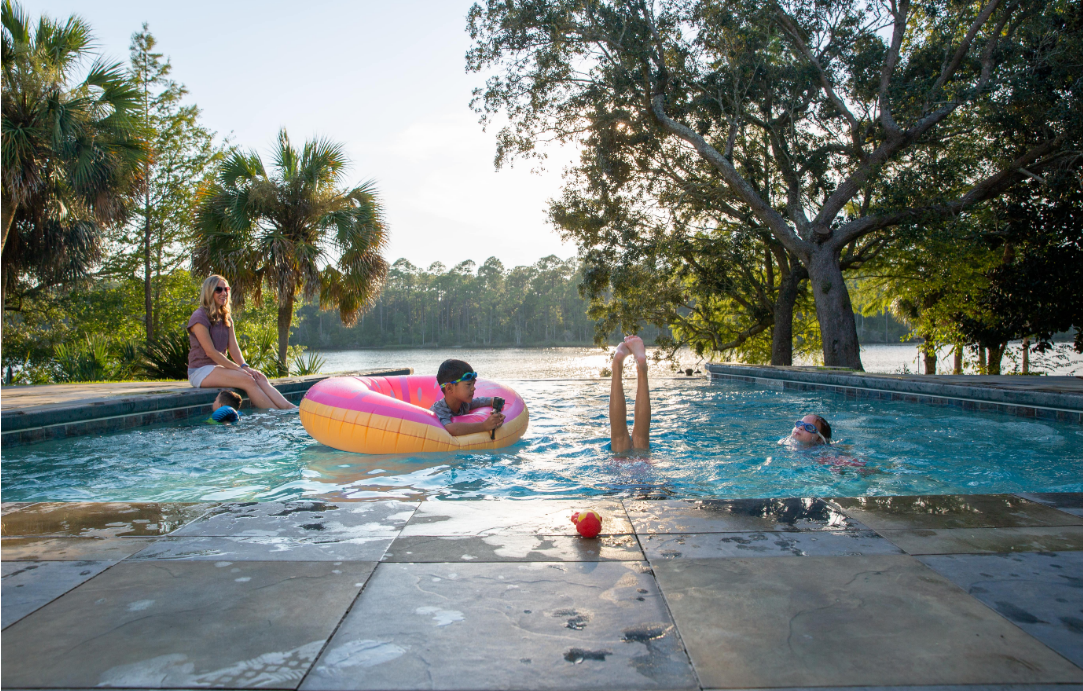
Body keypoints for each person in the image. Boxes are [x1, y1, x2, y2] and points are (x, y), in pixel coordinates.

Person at [186, 274, 295, 410]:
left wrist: (245, 366)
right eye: (219, 289)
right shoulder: (199, 317)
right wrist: (238, 369)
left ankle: (290, 409)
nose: (224, 293)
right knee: (247, 379)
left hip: (218, 368)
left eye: (226, 289)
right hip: (200, 371)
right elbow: (211, 352)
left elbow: (234, 348)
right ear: (209, 292)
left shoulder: (226, 318)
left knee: (259, 377)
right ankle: (274, 414)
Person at [431, 359, 504, 436]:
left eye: (473, 384)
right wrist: (484, 426)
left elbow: (479, 401)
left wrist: (494, 401)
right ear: (449, 388)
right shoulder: (439, 409)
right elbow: (450, 429)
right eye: (468, 384)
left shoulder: (464, 404)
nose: (473, 388)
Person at [609, 335, 651, 453]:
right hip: (644, 463)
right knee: (641, 440)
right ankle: (641, 367)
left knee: (618, 440)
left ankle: (617, 364)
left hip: (618, 463)